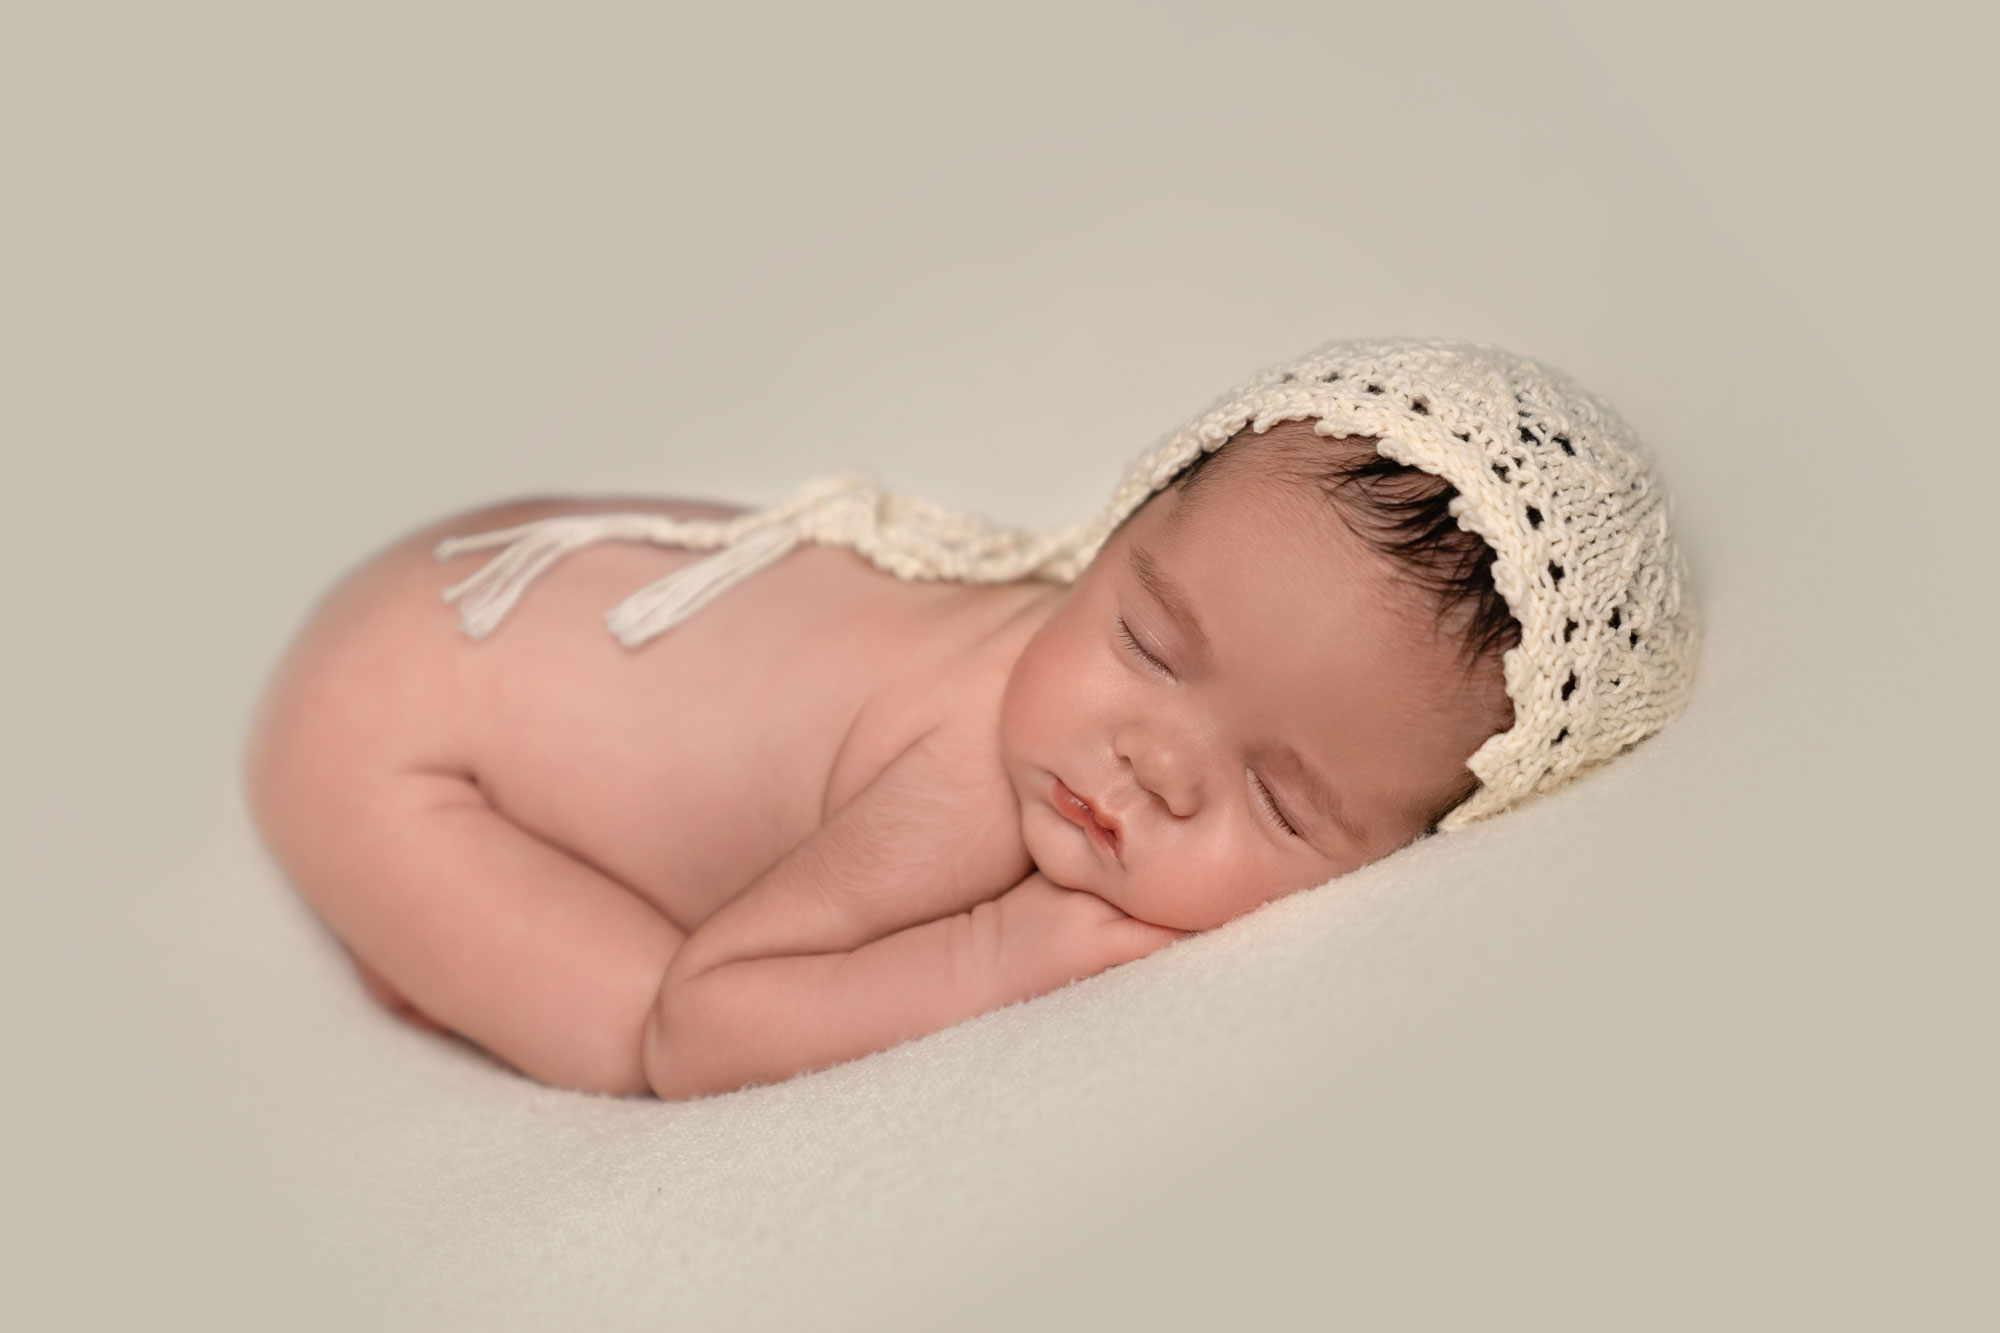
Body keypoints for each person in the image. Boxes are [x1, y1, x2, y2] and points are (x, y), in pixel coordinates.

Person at [244, 338, 1698, 1100]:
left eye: (1279, 797)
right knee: (629, 1034)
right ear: (1122, 520)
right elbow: (706, 1021)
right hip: (392, 715)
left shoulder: (1089, 695)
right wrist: (1007, 944)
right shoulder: (965, 756)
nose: (1153, 761)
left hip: (499, 572)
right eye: (1145, 637)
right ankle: (407, 911)